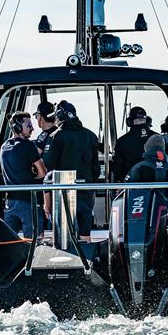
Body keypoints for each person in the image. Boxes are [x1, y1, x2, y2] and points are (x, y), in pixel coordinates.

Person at [42, 101, 100, 241]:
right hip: (85, 191)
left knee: (63, 238)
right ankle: (87, 259)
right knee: (85, 234)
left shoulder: (56, 136)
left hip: (63, 193)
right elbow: (96, 169)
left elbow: (47, 166)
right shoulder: (91, 135)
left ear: (60, 116)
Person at [0, 112, 47, 239]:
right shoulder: (27, 145)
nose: (32, 128)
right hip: (28, 201)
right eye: (29, 125)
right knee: (35, 242)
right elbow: (42, 172)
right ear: (17, 127)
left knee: (9, 243)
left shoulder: (4, 147)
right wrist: (34, 180)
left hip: (10, 202)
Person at [125, 134, 168, 206]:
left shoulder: (139, 167)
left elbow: (126, 191)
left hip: (142, 211)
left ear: (146, 147)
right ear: (163, 148)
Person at [111, 106, 157, 182]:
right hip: (157, 185)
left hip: (132, 185)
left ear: (129, 121)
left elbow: (117, 170)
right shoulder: (158, 138)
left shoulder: (122, 141)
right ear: (147, 120)